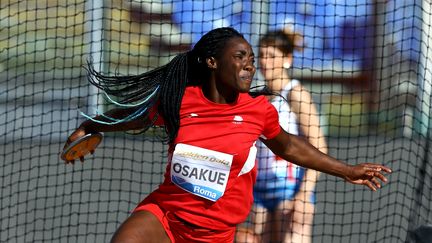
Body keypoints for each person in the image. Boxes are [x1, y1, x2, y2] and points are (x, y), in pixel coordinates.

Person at [62, 27, 391, 243]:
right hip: (166, 216)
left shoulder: (258, 110)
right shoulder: (181, 99)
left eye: (251, 58)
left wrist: (348, 171)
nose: (250, 65)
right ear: (212, 62)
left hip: (215, 234)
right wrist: (93, 125)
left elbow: (290, 146)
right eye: (240, 57)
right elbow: (133, 117)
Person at [249, 28, 327, 243]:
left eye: (272, 56)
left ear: (287, 59)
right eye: (262, 55)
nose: (265, 62)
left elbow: (319, 147)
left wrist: (303, 196)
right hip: (260, 193)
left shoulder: (295, 93)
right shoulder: (257, 97)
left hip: (290, 191)